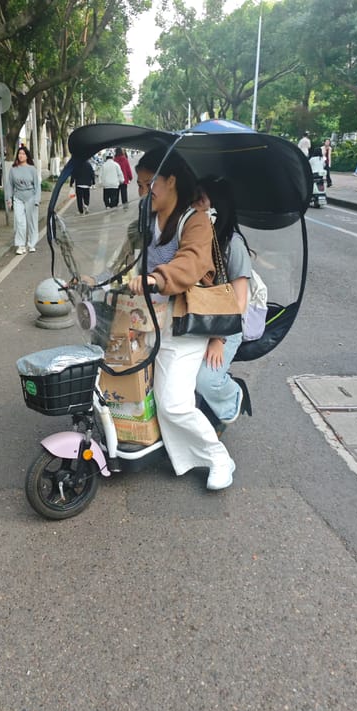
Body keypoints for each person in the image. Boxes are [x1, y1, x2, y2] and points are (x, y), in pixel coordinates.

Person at [127, 148, 237, 491]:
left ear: (171, 180)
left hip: (183, 327)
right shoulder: (146, 220)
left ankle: (219, 458)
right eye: (140, 185)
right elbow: (122, 257)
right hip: (145, 321)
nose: (143, 192)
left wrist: (155, 279)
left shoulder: (196, 220)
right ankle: (160, 446)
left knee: (174, 403)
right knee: (147, 395)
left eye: (149, 184)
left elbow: (191, 263)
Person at [192, 177, 252, 425]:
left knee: (205, 379)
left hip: (227, 326)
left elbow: (239, 304)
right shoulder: (192, 237)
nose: (195, 206)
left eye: (201, 200)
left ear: (218, 206)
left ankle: (231, 396)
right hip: (195, 318)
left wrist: (218, 339)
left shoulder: (233, 245)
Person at [5, 145, 41, 254]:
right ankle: (21, 245)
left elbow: (37, 186)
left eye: (23, 154)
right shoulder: (13, 169)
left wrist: (37, 200)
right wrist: (9, 198)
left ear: (27, 156)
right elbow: (9, 185)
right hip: (18, 197)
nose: (21, 156)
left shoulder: (32, 169)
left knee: (32, 222)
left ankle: (31, 244)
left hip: (31, 197)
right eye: (19, 154)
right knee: (20, 222)